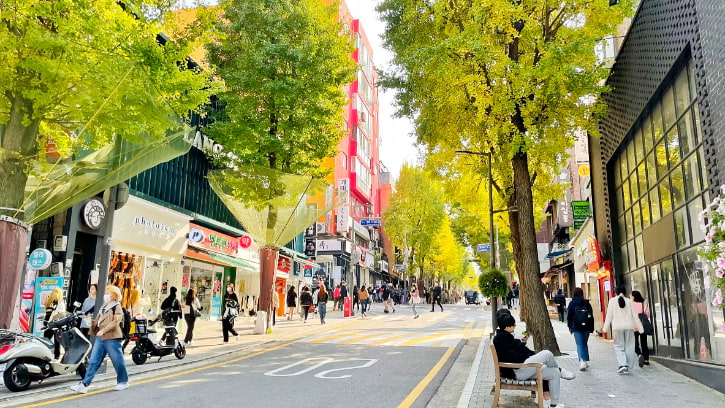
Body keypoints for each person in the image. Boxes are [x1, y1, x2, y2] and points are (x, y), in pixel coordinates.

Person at [493, 313, 575, 408]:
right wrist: (530, 357)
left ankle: (554, 405)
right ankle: (561, 370)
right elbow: (514, 357)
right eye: (513, 325)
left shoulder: (505, 336)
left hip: (522, 368)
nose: (515, 327)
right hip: (517, 371)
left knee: (554, 372)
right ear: (507, 327)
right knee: (547, 353)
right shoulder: (501, 339)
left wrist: (521, 345)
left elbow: (514, 350)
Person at [71, 285, 129, 393]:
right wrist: (94, 328)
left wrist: (104, 330)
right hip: (100, 337)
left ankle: (123, 382)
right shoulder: (104, 305)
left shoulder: (116, 306)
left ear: (113, 295)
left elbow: (115, 322)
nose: (105, 294)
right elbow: (98, 319)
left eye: (107, 292)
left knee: (117, 360)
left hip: (111, 337)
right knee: (93, 361)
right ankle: (84, 384)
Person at [603, 285, 644, 374]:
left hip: (617, 328)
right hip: (629, 327)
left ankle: (623, 365)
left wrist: (605, 329)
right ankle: (628, 366)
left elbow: (609, 316)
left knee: (618, 346)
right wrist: (641, 329)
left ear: (615, 292)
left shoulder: (612, 301)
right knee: (630, 346)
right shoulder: (629, 301)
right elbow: (635, 316)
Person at [567, 287, 594, 371]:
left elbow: (569, 316)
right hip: (586, 326)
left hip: (576, 326)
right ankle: (585, 361)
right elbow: (591, 315)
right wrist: (591, 327)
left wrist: (570, 327)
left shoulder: (572, 303)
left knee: (579, 344)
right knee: (584, 343)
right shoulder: (586, 303)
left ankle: (582, 361)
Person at [43, 287, 66, 360]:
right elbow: (62, 314)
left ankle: (46, 353)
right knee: (56, 341)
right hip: (55, 323)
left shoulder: (50, 302)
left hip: (49, 323)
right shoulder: (59, 303)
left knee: (47, 339)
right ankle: (56, 355)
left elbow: (47, 312)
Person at [631, 290, 650, 367]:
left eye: (631, 296)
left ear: (633, 297)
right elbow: (647, 315)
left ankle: (639, 354)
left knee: (635, 344)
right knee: (644, 344)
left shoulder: (631, 305)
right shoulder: (643, 305)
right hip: (642, 327)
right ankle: (646, 360)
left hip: (634, 327)